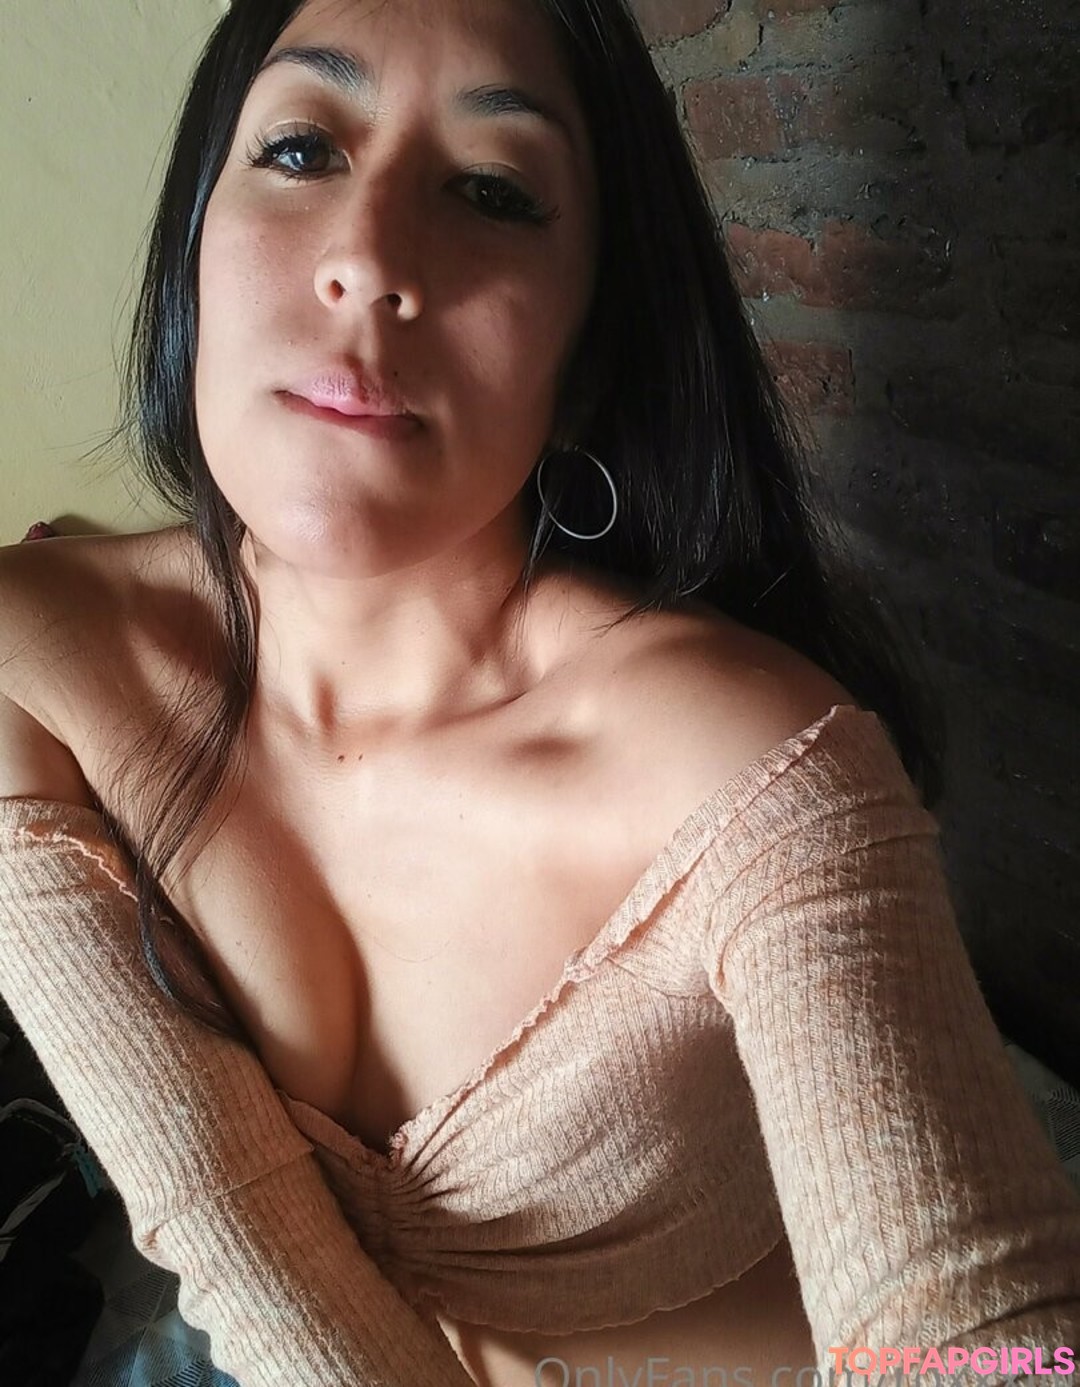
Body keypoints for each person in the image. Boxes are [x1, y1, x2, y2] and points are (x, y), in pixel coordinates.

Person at [1, 1, 1079, 1384]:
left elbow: (982, 1341)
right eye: (300, 150)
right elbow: (236, 1242)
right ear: (193, 245)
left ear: (586, 356)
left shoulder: (750, 765)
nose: (369, 259)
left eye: (494, 192)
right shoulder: (37, 659)